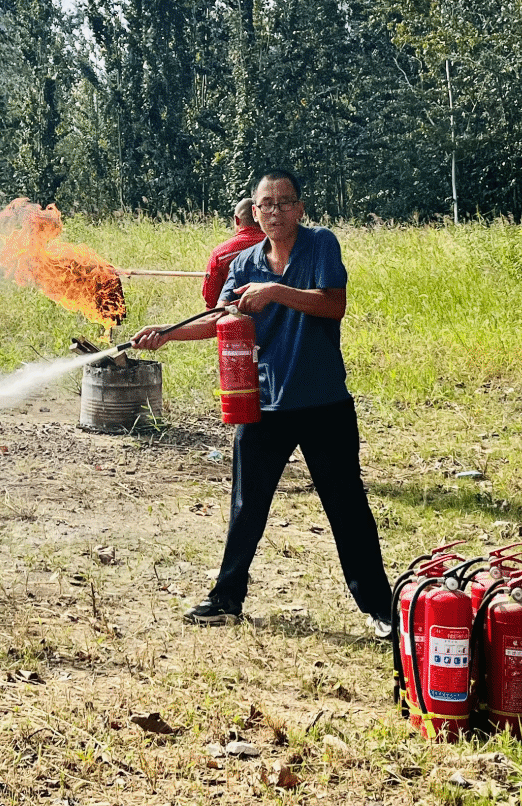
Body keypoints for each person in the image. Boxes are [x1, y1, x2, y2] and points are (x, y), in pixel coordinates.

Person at [133, 170, 391, 636]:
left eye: (284, 202)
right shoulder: (244, 263)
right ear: (254, 212)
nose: (275, 211)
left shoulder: (320, 244)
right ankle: (226, 598)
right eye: (266, 204)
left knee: (347, 506)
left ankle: (381, 608)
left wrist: (273, 292)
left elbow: (333, 304)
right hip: (264, 404)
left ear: (300, 209)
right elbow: (220, 319)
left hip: (323, 403)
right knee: (246, 505)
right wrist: (167, 334)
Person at [202, 197, 265, 309]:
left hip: (230, 314)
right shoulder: (276, 245)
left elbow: (210, 298)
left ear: (236, 220)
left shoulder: (220, 254)